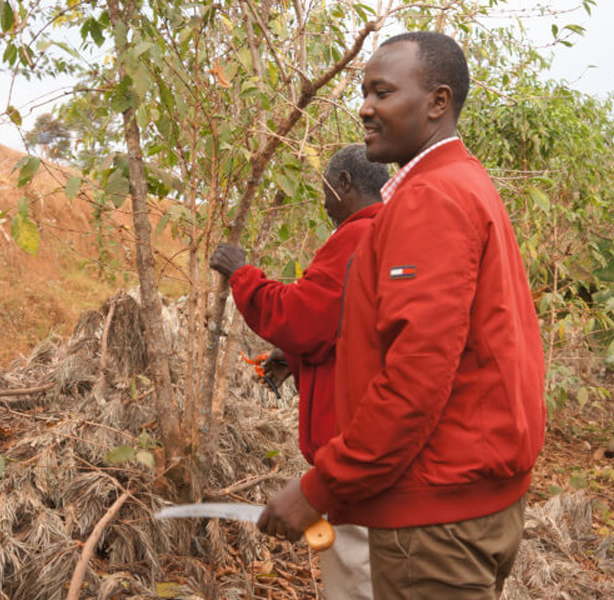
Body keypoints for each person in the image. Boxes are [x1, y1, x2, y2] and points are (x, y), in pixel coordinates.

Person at [257, 31, 547, 599]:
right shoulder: (463, 183)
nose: (365, 108)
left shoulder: (431, 198)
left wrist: (320, 486)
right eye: (364, 92)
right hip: (469, 497)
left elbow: (416, 376)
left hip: (434, 521)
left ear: (438, 102)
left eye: (382, 93)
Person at [208, 145, 390, 600]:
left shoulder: (356, 237)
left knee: (357, 579)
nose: (324, 202)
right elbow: (346, 330)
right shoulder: (391, 233)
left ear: (344, 184)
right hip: (377, 454)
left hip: (358, 460)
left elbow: (298, 318)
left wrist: (241, 275)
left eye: (326, 190)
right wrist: (296, 359)